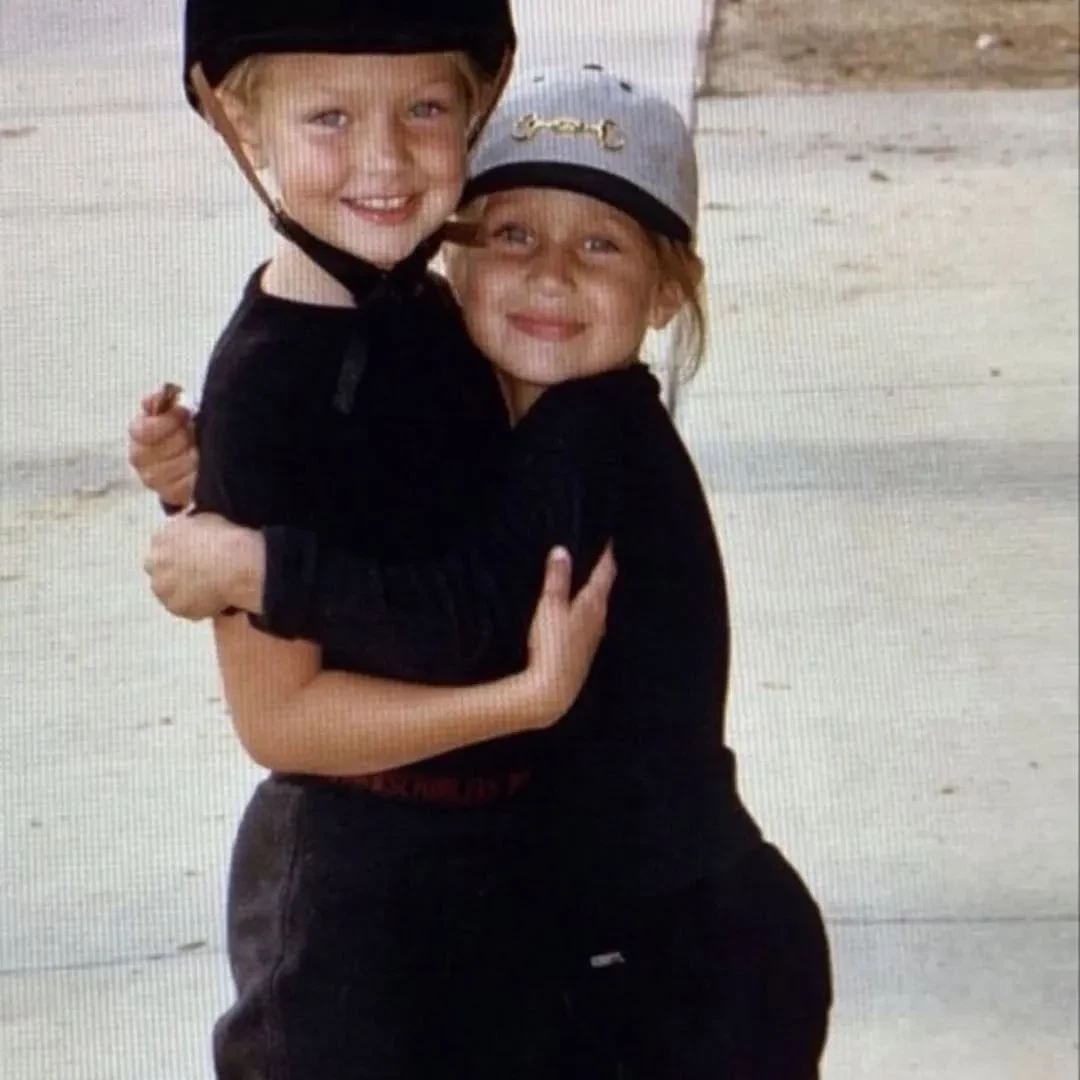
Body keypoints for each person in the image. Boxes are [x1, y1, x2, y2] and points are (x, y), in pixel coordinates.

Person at [134, 65, 834, 1077]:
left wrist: (263, 567)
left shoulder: (594, 436)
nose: (550, 275)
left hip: (689, 962)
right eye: (512, 236)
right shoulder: (503, 420)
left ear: (666, 292)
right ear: (453, 262)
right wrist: (207, 484)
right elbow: (399, 527)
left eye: (600, 245)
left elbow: (461, 623)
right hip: (621, 938)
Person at [154, 5, 616, 1078]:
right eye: (330, 118)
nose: (386, 160)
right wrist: (523, 700)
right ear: (239, 122)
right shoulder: (267, 388)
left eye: (425, 110)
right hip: (353, 914)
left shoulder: (428, 313)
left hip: (493, 871)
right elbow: (282, 721)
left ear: (478, 105)